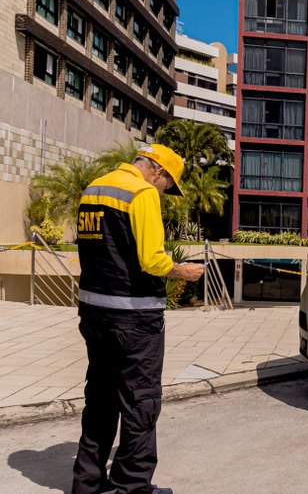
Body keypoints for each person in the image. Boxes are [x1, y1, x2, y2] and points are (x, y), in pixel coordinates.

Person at [72, 143, 205, 494]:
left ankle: (87, 484)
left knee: (100, 399)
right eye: (168, 184)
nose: (165, 191)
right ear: (157, 170)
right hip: (134, 317)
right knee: (140, 403)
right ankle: (130, 488)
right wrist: (184, 271)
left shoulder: (94, 188)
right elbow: (152, 260)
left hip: (94, 313)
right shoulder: (142, 192)